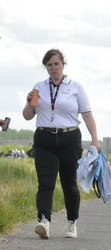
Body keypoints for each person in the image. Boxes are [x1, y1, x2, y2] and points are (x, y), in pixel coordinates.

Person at [22, 48, 101, 239]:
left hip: (69, 138)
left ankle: (72, 222)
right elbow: (27, 116)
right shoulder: (39, 87)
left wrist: (95, 139)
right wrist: (29, 104)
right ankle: (44, 222)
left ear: (63, 65)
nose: (53, 68)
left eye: (56, 64)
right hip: (44, 139)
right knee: (46, 183)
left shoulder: (76, 87)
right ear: (46, 67)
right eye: (49, 65)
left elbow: (87, 115)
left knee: (69, 183)